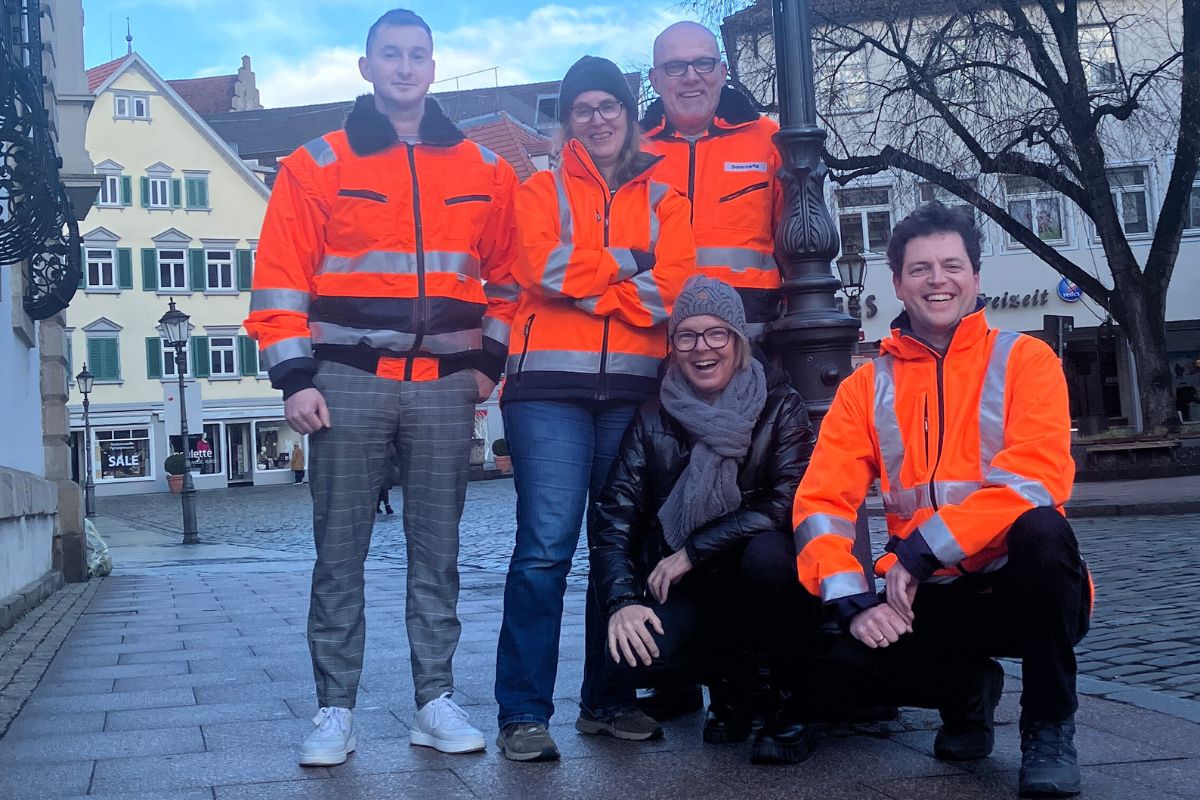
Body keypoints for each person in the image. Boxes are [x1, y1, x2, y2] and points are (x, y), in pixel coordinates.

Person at [244, 8, 519, 766]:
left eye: (418, 56)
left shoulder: (484, 170)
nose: (405, 67)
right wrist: (294, 376)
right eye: (391, 56)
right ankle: (335, 710)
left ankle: (434, 699)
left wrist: (485, 368)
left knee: (439, 551)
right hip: (344, 380)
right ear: (367, 68)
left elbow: (510, 281)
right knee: (340, 553)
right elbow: (278, 279)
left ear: (433, 68)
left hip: (440, 387)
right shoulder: (317, 164)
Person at [791, 202, 1091, 797]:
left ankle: (1049, 726)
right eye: (920, 269)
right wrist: (853, 601)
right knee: (831, 662)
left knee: (1044, 531)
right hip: (928, 596)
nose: (937, 280)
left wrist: (922, 549)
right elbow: (822, 501)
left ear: (976, 278)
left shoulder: (1026, 360)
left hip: (1019, 585)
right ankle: (966, 694)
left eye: (951, 266)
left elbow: (1035, 479)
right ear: (898, 282)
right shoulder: (866, 385)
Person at [492, 55, 696, 762]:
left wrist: (593, 281)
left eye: (610, 106)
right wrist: (627, 263)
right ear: (568, 121)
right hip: (546, 388)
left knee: (620, 545)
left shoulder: (668, 198)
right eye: (584, 109)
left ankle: (608, 701)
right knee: (546, 548)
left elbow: (672, 288)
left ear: (630, 114)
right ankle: (522, 711)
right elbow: (537, 266)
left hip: (635, 390)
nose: (599, 119)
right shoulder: (538, 189)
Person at [591, 275, 818, 763]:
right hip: (696, 583)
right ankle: (729, 690)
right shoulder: (653, 417)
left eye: (717, 333)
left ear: (737, 340)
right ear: (673, 347)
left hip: (760, 569)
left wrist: (692, 551)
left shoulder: (781, 404)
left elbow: (785, 504)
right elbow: (615, 519)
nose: (702, 348)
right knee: (637, 653)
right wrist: (623, 602)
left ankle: (786, 703)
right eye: (687, 336)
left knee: (768, 558)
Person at [641, 21, 782, 344]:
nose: (692, 76)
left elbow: (794, 241)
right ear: (655, 80)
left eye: (703, 63)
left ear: (721, 71)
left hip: (750, 335)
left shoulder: (770, 140)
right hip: (649, 333)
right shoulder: (630, 153)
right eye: (675, 67)